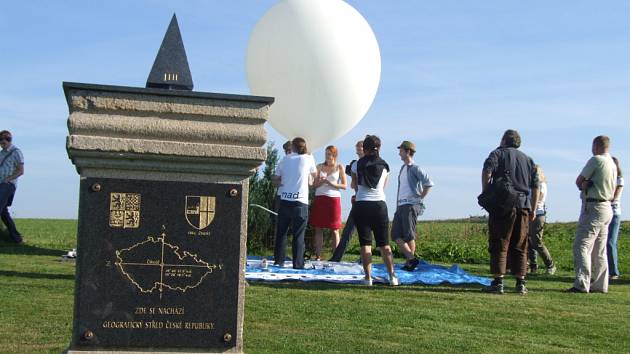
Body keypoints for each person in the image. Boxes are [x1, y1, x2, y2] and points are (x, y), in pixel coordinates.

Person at [481, 129, 539, 294]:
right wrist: (533, 208)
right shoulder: (528, 160)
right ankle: (521, 283)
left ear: (504, 140)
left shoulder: (498, 153)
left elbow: (487, 170)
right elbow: (536, 186)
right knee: (521, 244)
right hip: (524, 206)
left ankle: (498, 281)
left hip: (503, 205)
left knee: (500, 241)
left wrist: (486, 192)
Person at [567, 135, 617, 293]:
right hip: (608, 206)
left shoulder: (596, 160)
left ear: (596, 146)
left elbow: (578, 181)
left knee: (582, 245)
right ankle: (601, 285)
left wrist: (583, 184)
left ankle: (582, 283)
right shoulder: (612, 163)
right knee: (599, 249)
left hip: (593, 206)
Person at [352, 135, 399, 286]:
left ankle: (368, 278)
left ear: (364, 149)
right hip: (379, 205)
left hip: (362, 204)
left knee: (365, 244)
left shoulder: (356, 164)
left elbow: (355, 185)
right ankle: (392, 277)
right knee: (384, 244)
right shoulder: (385, 166)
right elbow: (383, 186)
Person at [272, 137, 317, 269]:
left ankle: (278, 261)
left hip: (285, 199)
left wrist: (284, 182)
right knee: (298, 235)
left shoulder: (285, 159)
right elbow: (314, 175)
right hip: (300, 201)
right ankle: (298, 264)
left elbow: (275, 179)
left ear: (292, 147)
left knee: (281, 233)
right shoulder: (308, 158)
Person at [391, 140, 433, 271]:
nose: (399, 153)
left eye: (401, 151)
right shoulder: (403, 168)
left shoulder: (416, 168)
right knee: (395, 234)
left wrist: (419, 198)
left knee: (409, 235)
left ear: (408, 151)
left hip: (410, 205)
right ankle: (411, 258)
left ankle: (410, 263)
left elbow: (428, 183)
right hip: (401, 205)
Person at [309, 145, 347, 260]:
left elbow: (344, 185)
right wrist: (320, 182)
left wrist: (330, 183)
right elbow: (313, 185)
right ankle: (318, 256)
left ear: (334, 155)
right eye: (326, 154)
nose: (327, 156)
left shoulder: (340, 167)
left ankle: (336, 256)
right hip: (320, 198)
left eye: (329, 154)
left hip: (333, 200)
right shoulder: (319, 166)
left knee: (335, 229)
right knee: (318, 228)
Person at [329, 140, 364, 262]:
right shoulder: (355, 164)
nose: (358, 149)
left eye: (360, 147)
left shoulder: (367, 164)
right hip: (358, 200)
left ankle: (362, 258)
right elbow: (352, 182)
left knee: (364, 233)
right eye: (357, 147)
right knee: (348, 231)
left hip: (366, 201)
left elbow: (353, 184)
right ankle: (336, 257)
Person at [527, 165, 556, 275]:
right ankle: (532, 264)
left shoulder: (541, 185)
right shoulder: (530, 185)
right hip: (531, 213)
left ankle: (550, 264)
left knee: (536, 241)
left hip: (538, 214)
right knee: (529, 241)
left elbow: (538, 197)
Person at [0, 130, 24, 244]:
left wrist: (8, 179)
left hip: (9, 185)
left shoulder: (16, 152)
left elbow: (21, 171)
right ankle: (16, 238)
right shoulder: (1, 154)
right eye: (0, 141)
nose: (1, 143)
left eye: (3, 140)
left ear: (9, 140)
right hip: (0, 184)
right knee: (3, 212)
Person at [607, 157, 624, 280]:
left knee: (611, 242)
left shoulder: (619, 179)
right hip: (605, 212)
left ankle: (614, 272)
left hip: (614, 213)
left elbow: (615, 196)